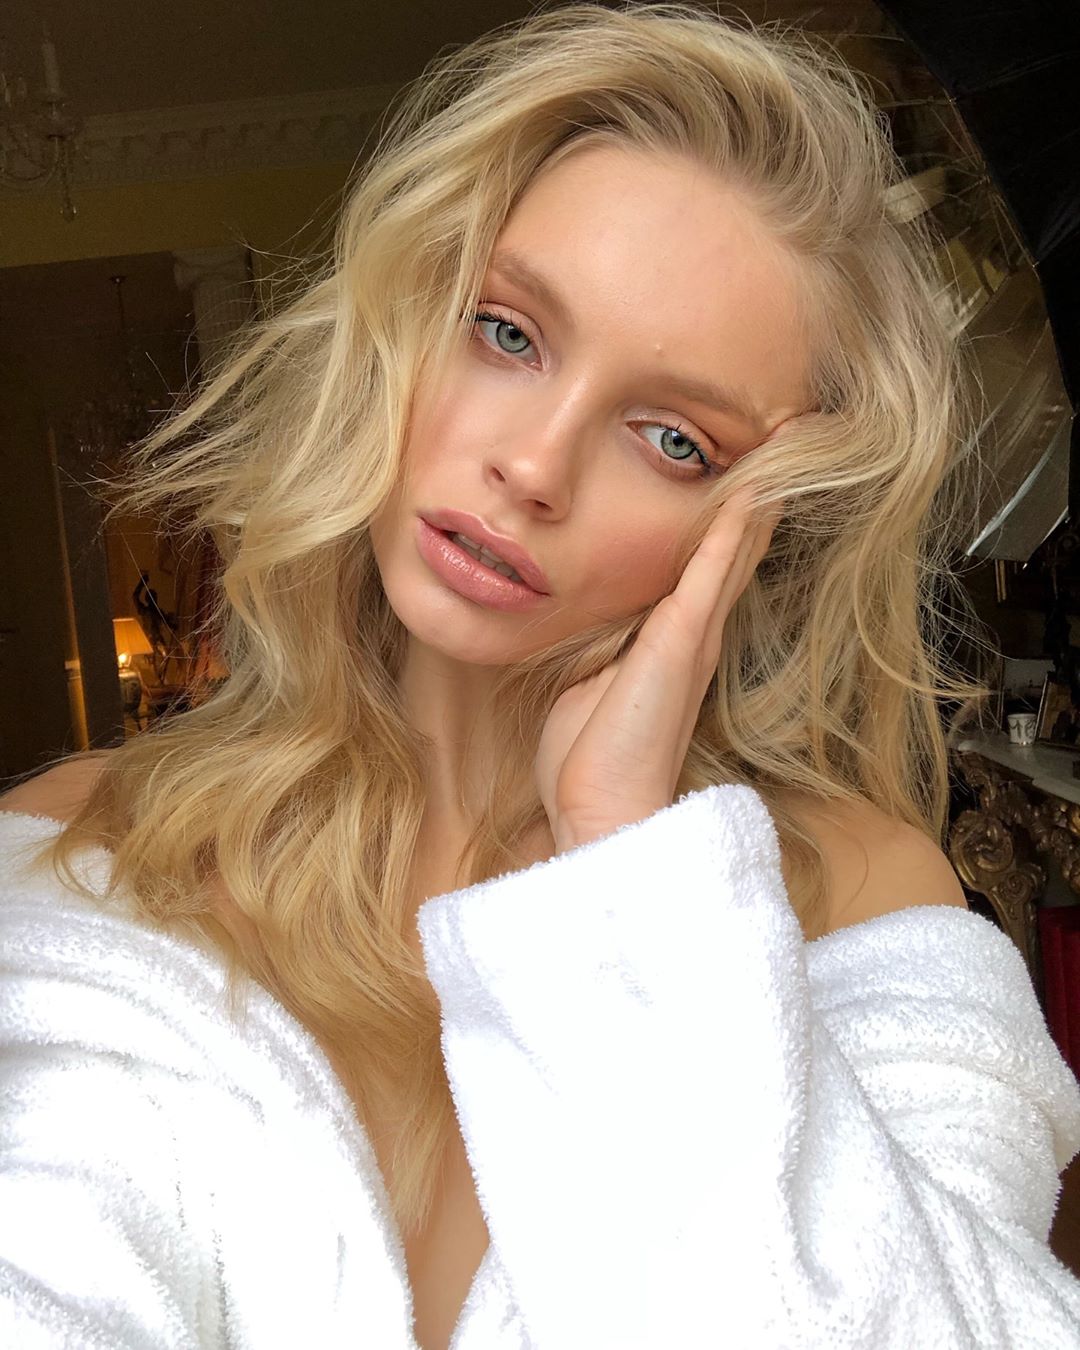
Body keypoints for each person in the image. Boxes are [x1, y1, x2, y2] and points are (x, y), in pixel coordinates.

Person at [2, 5, 1078, 1347]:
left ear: (766, 530)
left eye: (674, 439)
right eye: (507, 332)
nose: (534, 464)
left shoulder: (859, 895)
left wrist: (627, 866)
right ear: (400, 329)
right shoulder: (78, 855)